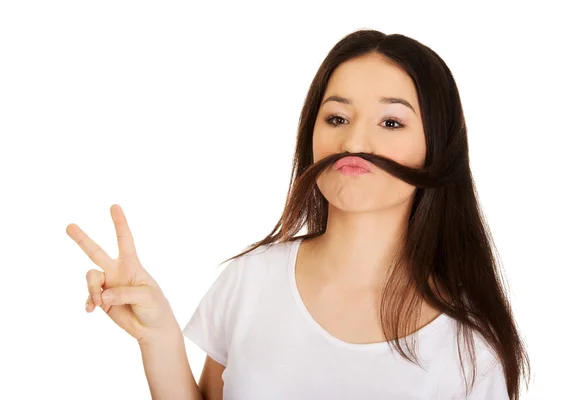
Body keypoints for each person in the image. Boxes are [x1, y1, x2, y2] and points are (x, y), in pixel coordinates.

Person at [67, 29, 531, 399]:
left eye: (391, 122)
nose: (353, 143)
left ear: (439, 149)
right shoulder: (248, 283)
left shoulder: (471, 345)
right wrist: (159, 338)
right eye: (336, 118)